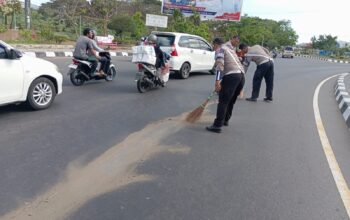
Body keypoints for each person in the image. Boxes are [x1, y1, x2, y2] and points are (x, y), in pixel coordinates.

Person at [206, 37, 245, 133]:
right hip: (241, 76)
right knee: (231, 100)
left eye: (213, 45)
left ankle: (217, 125)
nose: (213, 47)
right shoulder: (230, 50)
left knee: (223, 101)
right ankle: (225, 120)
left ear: (216, 44)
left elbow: (220, 65)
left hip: (232, 76)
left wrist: (217, 81)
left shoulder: (220, 49)